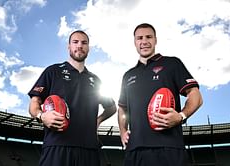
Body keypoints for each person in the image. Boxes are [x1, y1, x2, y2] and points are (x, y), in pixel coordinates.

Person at [118, 23, 203, 166]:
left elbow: (195, 95)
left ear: (155, 40)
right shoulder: (128, 75)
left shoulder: (172, 63)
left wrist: (181, 116)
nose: (144, 41)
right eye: (139, 38)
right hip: (135, 151)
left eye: (148, 37)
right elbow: (122, 108)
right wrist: (123, 131)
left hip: (169, 148)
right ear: (135, 42)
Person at [28, 30, 117, 166]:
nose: (79, 46)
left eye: (84, 43)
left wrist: (97, 121)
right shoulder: (53, 71)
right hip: (57, 146)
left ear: (88, 48)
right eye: (75, 42)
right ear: (68, 46)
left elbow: (111, 107)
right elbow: (34, 102)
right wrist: (42, 116)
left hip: (89, 149)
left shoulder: (95, 79)